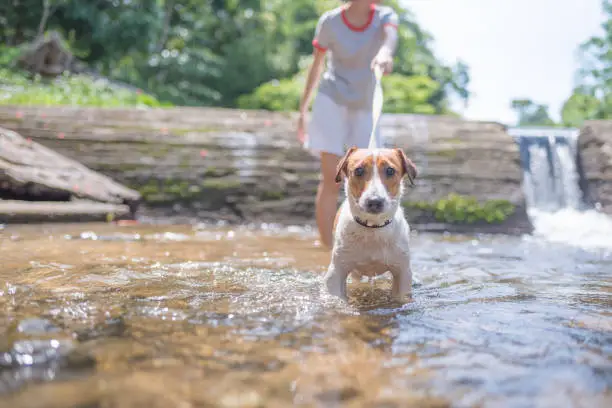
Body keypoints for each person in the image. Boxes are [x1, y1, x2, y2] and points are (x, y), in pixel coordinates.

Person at [297, 0, 399, 248]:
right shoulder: (330, 21)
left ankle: (366, 246)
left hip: (365, 105)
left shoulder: (385, 15)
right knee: (332, 179)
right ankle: (329, 251)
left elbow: (389, 38)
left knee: (370, 178)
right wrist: (302, 110)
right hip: (331, 100)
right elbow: (317, 65)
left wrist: (385, 53)